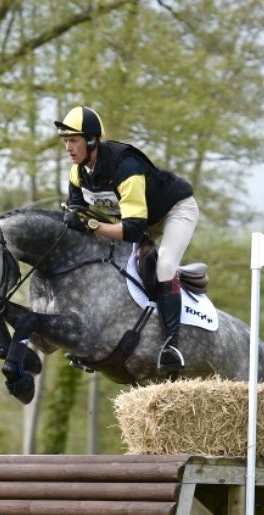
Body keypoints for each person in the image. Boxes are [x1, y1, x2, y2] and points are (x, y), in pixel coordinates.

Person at [54, 105, 200, 372]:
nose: (68, 148)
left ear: (91, 140)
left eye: (73, 140)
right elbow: (76, 212)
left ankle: (172, 346)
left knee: (165, 266)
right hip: (136, 218)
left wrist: (91, 224)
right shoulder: (78, 172)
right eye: (65, 141)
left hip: (174, 211)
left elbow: (131, 229)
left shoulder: (126, 167)